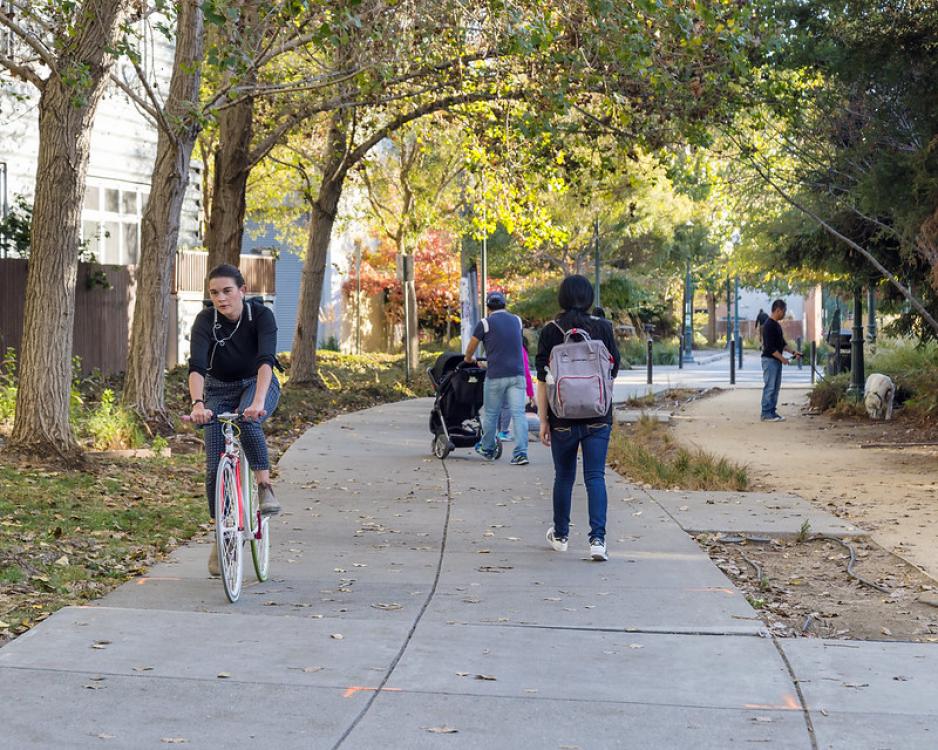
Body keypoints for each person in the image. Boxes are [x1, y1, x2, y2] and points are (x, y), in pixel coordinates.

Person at [188, 264, 282, 576]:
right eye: (214, 292)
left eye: (227, 290)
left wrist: (257, 402)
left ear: (242, 290)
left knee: (247, 422)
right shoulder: (205, 320)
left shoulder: (261, 316)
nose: (221, 298)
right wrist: (198, 403)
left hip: (257, 382)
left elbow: (266, 361)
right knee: (214, 467)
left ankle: (264, 487)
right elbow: (197, 367)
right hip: (218, 389)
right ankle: (222, 532)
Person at [535, 275, 621, 561]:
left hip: (562, 416)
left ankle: (561, 535)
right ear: (589, 298)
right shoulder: (603, 328)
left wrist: (544, 420)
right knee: (595, 476)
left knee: (564, 476)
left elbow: (543, 380)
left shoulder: (550, 331)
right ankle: (598, 540)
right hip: (598, 414)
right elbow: (614, 371)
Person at [464, 291, 529, 465]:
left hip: (496, 376)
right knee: (519, 415)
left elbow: (471, 348)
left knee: (491, 414)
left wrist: (469, 359)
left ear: (488, 306)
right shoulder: (517, 320)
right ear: (504, 305)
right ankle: (521, 453)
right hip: (517, 374)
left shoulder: (485, 323)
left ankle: (487, 448)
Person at [760, 298, 800, 422]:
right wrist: (782, 358)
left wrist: (793, 352)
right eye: (784, 311)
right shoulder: (768, 326)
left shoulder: (777, 325)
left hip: (776, 360)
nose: (784, 314)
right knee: (770, 387)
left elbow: (782, 344)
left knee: (775, 387)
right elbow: (770, 347)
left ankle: (772, 411)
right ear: (778, 310)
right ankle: (766, 413)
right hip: (769, 360)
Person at [497, 336, 534, 441]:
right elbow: (526, 372)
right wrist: (530, 393)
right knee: (506, 406)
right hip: (511, 380)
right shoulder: (520, 350)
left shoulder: (503, 347)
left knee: (500, 406)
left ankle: (498, 431)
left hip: (496, 378)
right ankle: (503, 432)